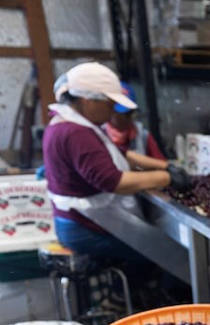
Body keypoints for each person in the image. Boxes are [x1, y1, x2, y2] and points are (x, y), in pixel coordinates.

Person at [42, 62, 192, 263]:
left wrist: (164, 165)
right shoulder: (75, 133)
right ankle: (139, 292)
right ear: (88, 100)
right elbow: (113, 182)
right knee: (166, 253)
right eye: (110, 103)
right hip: (86, 228)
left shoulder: (68, 124)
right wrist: (167, 178)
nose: (112, 110)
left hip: (78, 222)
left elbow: (120, 154)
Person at [102, 83, 167, 160]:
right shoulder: (99, 135)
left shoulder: (143, 136)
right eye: (124, 114)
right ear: (110, 111)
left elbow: (161, 163)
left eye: (131, 113)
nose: (129, 118)